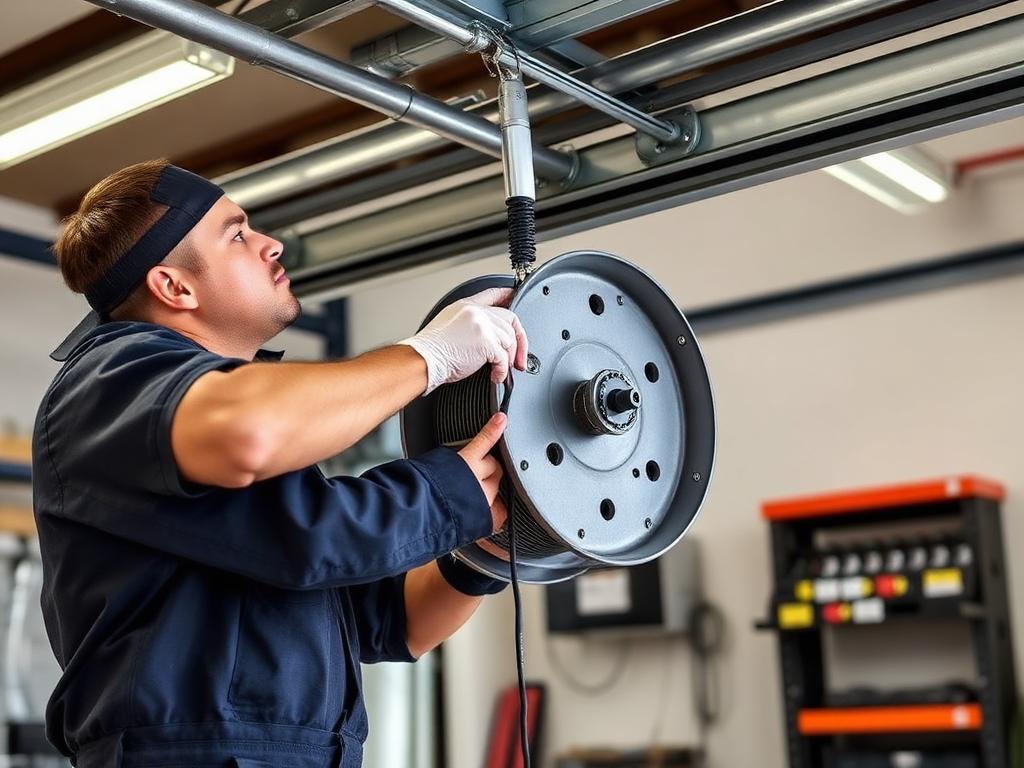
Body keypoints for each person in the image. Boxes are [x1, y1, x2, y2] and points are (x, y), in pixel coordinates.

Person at [31, 159, 528, 768]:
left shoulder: (227, 452)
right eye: (237, 234)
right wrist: (429, 356)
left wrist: (492, 541)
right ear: (174, 287)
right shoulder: (111, 379)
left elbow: (397, 623)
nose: (272, 243)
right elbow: (250, 431)